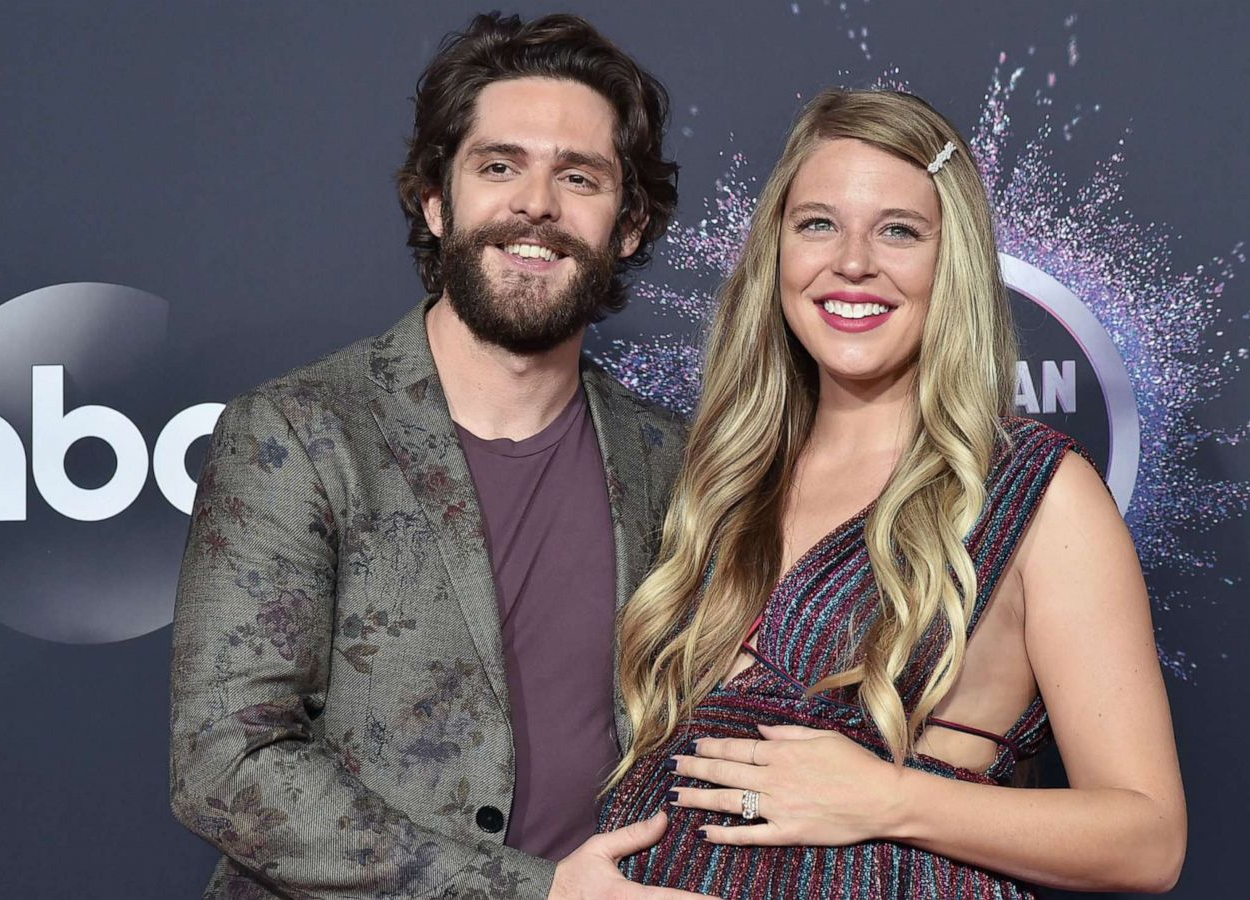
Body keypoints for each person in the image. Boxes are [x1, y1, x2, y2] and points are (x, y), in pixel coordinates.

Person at [170, 14, 709, 900]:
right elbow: (228, 763)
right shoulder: (297, 434)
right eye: (499, 167)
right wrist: (533, 893)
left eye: (579, 177)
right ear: (435, 199)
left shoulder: (675, 459)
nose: (536, 204)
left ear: (629, 226)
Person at [600, 89, 1187, 898]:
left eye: (899, 231)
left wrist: (891, 798)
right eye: (818, 224)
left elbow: (1147, 841)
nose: (852, 262)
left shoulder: (1037, 491)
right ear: (776, 250)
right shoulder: (724, 475)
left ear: (955, 263)